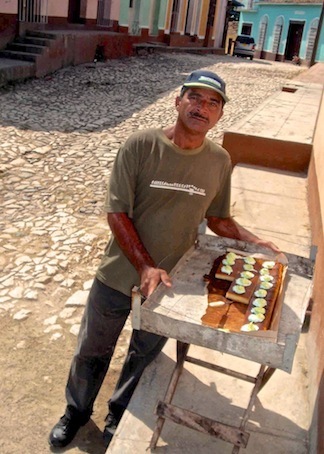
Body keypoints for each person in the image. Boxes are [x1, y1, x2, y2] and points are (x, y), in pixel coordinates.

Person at [48, 69, 279, 449]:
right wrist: (144, 265)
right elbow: (117, 212)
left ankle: (118, 415)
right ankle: (76, 412)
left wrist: (257, 242)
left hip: (169, 287)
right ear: (178, 101)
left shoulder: (219, 161)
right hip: (118, 276)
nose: (202, 108)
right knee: (92, 349)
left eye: (213, 103)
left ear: (220, 115)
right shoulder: (140, 146)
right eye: (195, 98)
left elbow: (218, 218)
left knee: (144, 356)